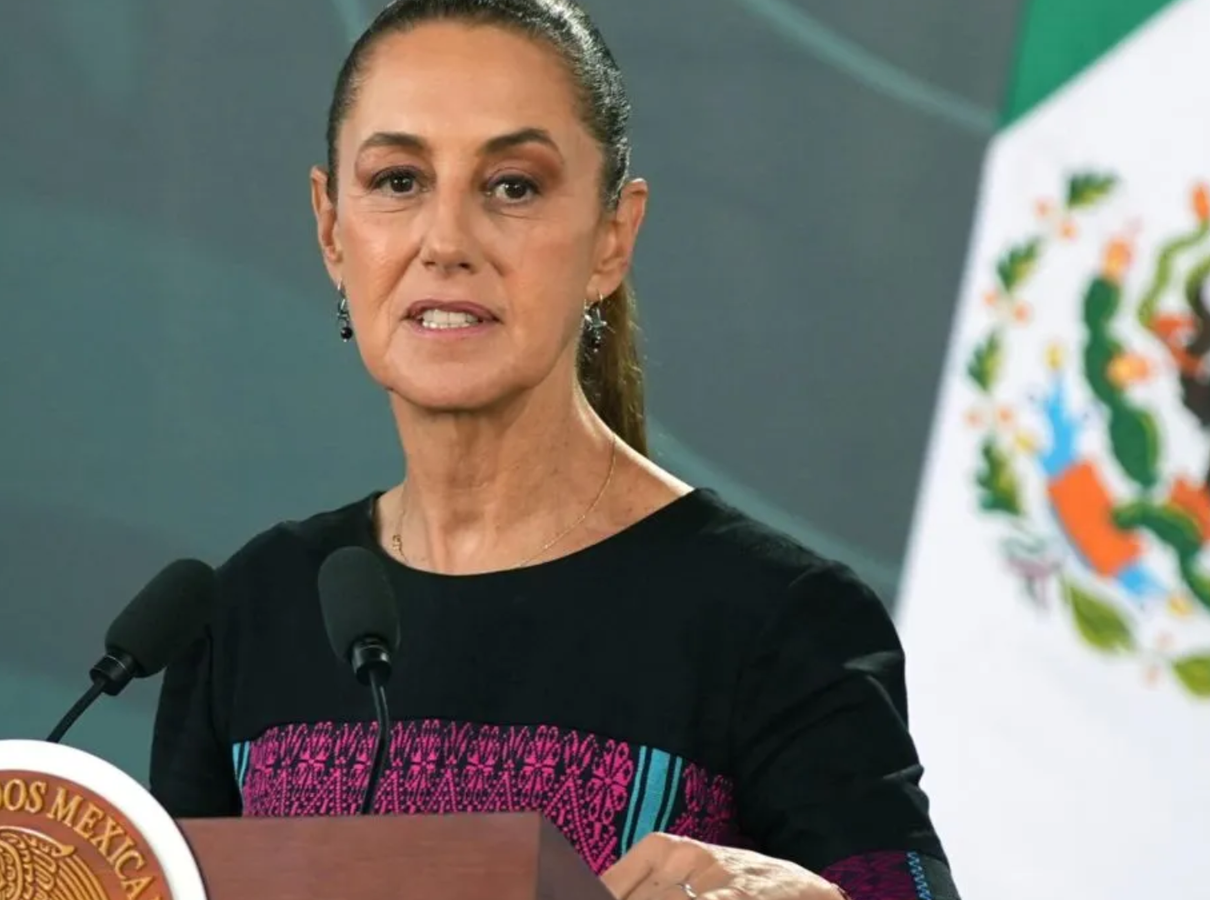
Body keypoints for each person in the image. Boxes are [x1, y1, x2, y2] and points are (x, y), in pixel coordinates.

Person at [147, 1, 959, 897]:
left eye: (513, 187)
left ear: (614, 236)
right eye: (398, 180)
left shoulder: (775, 620)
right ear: (332, 228)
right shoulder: (251, 613)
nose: (446, 243)